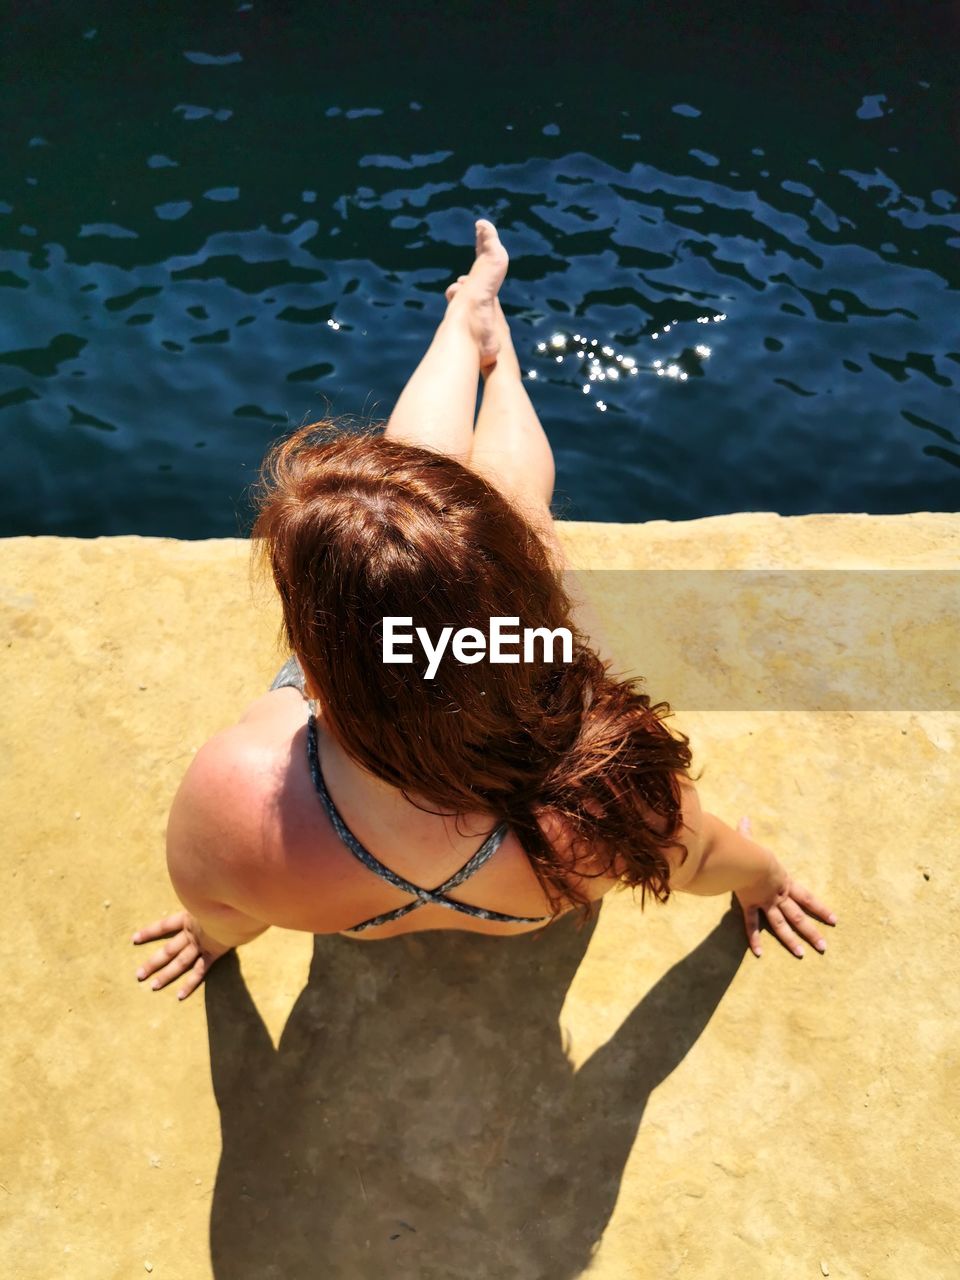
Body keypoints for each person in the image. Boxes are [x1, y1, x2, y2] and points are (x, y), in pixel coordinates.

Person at [132, 219, 837, 1001]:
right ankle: (497, 365)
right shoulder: (602, 795)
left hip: (350, 883)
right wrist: (765, 880)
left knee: (411, 537)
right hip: (518, 891)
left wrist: (209, 937)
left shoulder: (235, 797)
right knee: (487, 523)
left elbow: (222, 906)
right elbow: (702, 859)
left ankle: (467, 321)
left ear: (320, 665)